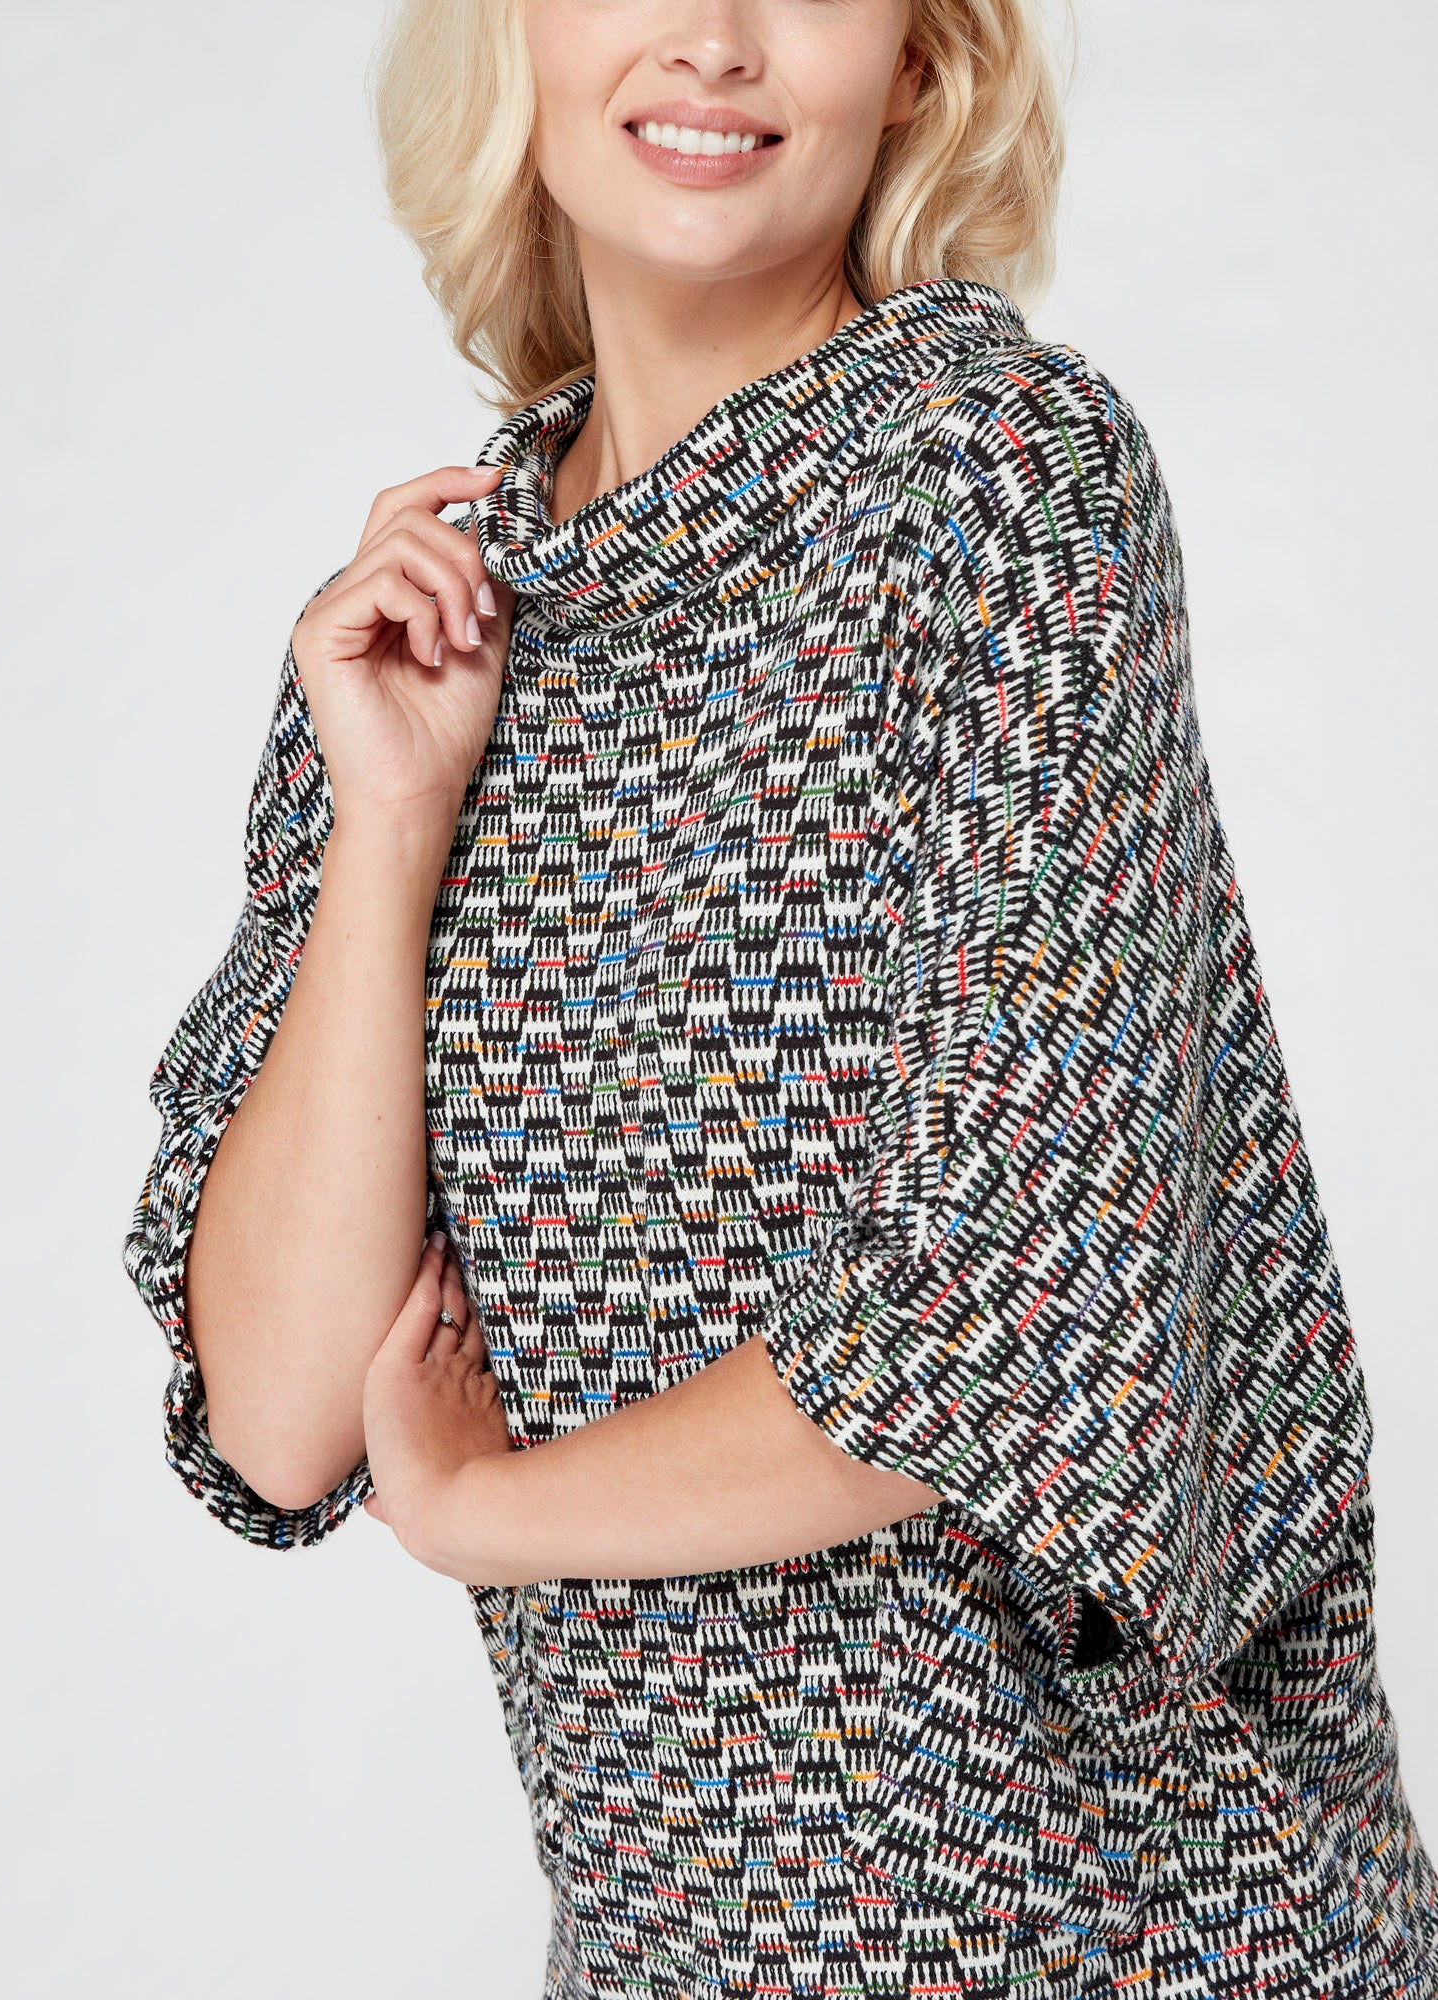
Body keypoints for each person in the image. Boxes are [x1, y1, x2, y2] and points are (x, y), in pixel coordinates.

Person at [120, 1, 1436, 1994]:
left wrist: (488, 1510)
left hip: (1112, 1931)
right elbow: (284, 1419)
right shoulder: (429, 623)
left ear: (918, 60)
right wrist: (390, 824)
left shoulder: (996, 481)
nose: (716, 40)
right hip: (669, 1947)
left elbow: (997, 1332)